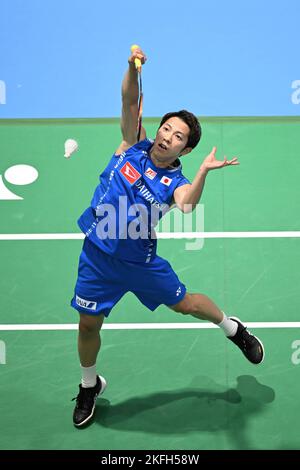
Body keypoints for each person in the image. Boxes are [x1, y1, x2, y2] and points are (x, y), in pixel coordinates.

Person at [71, 46, 264, 428]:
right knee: (88, 324)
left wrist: (205, 172)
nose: (166, 136)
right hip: (97, 255)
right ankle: (89, 384)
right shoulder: (131, 145)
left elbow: (188, 205)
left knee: (187, 304)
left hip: (140, 263)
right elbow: (129, 98)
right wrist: (131, 66)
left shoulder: (176, 182)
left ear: (186, 149)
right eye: (165, 128)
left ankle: (233, 328)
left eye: (177, 136)